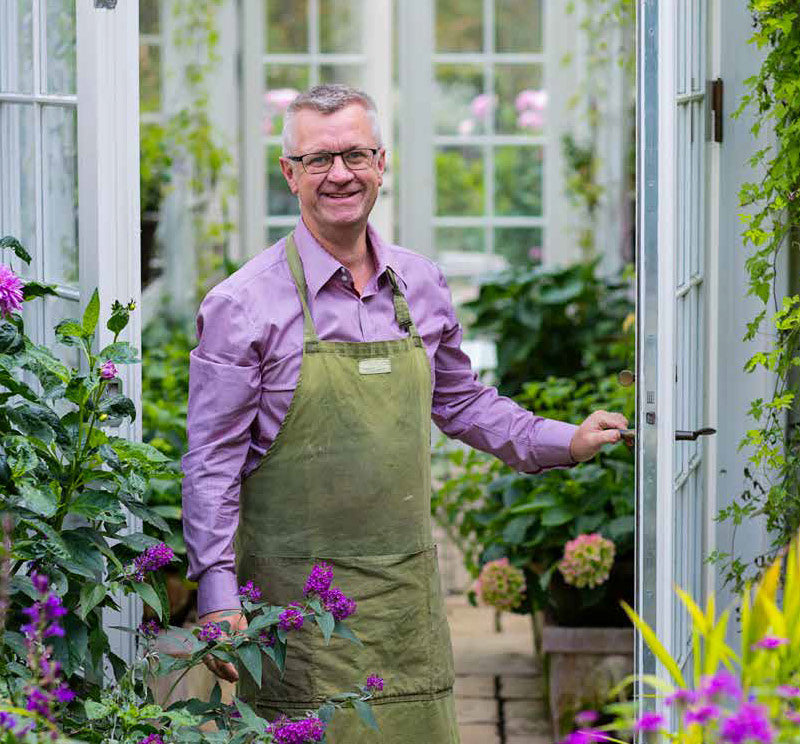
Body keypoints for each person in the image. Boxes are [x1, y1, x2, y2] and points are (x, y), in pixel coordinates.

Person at [181, 83, 628, 742]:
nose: (340, 174)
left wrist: (567, 439)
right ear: (290, 174)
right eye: (318, 160)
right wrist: (217, 596)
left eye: (356, 155)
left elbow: (462, 399)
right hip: (295, 617)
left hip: (405, 609)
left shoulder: (420, 284)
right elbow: (210, 466)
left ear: (381, 165)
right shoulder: (241, 306)